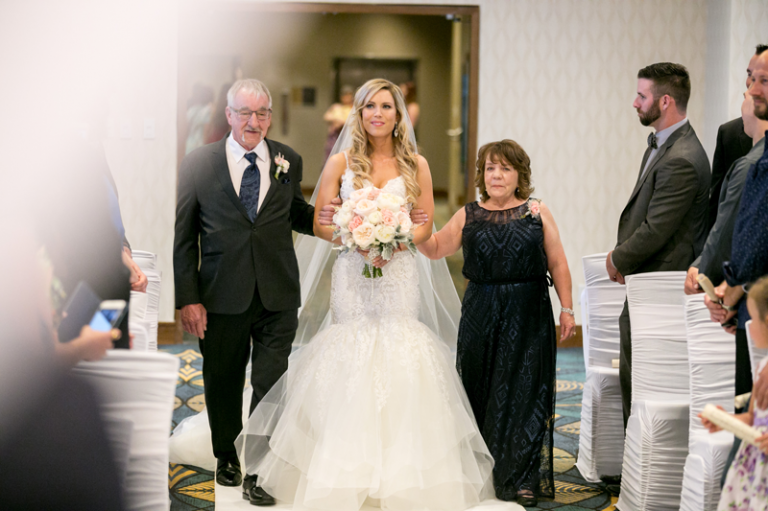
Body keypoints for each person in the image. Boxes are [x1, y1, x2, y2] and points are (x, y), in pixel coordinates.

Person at [235, 79, 496, 510]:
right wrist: (352, 233)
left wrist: (395, 238)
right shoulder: (340, 163)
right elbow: (321, 224)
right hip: (352, 273)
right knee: (350, 348)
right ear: (358, 113)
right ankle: (341, 467)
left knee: (400, 347)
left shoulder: (418, 164)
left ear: (399, 115)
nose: (378, 113)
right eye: (369, 106)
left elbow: (426, 224)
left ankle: (401, 474)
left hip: (399, 272)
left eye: (386, 106)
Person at [173, 78, 337, 499]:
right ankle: (227, 453)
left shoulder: (288, 159)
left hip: (277, 291)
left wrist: (336, 221)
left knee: (272, 381)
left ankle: (259, 468)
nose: (254, 121)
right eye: (244, 112)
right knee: (223, 377)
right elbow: (185, 237)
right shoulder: (199, 163)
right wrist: (188, 297)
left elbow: (295, 213)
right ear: (228, 115)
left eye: (261, 113)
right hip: (221, 293)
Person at [418, 139, 575, 506]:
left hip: (529, 311)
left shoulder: (536, 212)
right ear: (481, 174)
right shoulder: (469, 214)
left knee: (525, 391)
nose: (497, 175)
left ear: (520, 174)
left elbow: (559, 263)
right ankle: (484, 469)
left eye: (505, 168)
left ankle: (521, 477)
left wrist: (566, 309)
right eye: (490, 168)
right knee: (481, 388)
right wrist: (413, 230)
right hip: (481, 312)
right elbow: (438, 248)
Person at [606, 62, 710, 429]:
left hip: (661, 280)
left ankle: (636, 471)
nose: (635, 102)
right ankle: (632, 464)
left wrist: (618, 257)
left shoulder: (682, 158)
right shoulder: (665, 143)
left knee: (640, 377)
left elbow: (656, 229)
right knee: (632, 373)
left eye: (642, 95)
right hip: (648, 277)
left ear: (665, 101)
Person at [687, 93, 768, 398]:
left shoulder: (754, 165)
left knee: (751, 402)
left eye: (757, 85)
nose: (747, 97)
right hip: (747, 297)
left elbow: (748, 236)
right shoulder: (744, 148)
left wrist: (731, 287)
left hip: (756, 301)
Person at [707, 49, 768, 409]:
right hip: (751, 308)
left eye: (764, 81)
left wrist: (735, 289)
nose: (753, 89)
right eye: (752, 78)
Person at [700, 276, 768, 509]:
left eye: (752, 319)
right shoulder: (761, 369)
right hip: (754, 467)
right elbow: (753, 418)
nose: (747, 326)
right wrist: (726, 421)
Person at [707, 45, 768, 230]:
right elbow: (715, 207)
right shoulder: (729, 134)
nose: (752, 84)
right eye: (750, 75)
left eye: (763, 79)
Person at [322, 85, 354, 162]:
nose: (346, 98)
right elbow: (326, 117)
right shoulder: (336, 107)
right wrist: (337, 120)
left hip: (349, 137)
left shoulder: (353, 109)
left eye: (348, 96)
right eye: (344, 95)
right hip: (335, 137)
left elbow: (354, 121)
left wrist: (343, 122)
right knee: (331, 158)